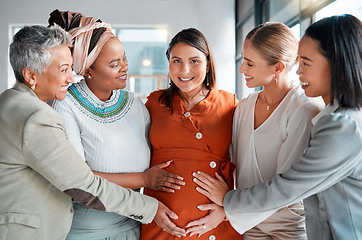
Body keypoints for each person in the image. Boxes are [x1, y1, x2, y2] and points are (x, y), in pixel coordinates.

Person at [193, 14, 362, 240]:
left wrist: (227, 202)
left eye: (306, 63)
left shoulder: (343, 125)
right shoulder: (346, 114)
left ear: (336, 65)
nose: (298, 71)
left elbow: (288, 187)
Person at [0, 25, 186, 240]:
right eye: (63, 70)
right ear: (31, 76)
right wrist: (150, 207)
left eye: (71, 68)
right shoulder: (37, 117)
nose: (71, 78)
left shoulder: (9, 102)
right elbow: (83, 185)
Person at [190, 22, 323, 239]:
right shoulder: (244, 106)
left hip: (287, 229)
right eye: (243, 60)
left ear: (278, 68)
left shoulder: (304, 109)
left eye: (250, 63)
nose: (242, 69)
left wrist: (227, 207)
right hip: (248, 226)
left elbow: (285, 188)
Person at [140, 28, 242, 240]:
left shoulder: (230, 104)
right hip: (161, 224)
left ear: (207, 63)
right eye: (177, 61)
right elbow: (136, 160)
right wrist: (148, 207)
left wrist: (226, 210)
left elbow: (248, 164)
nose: (184, 70)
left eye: (194, 61)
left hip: (215, 226)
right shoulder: (153, 103)